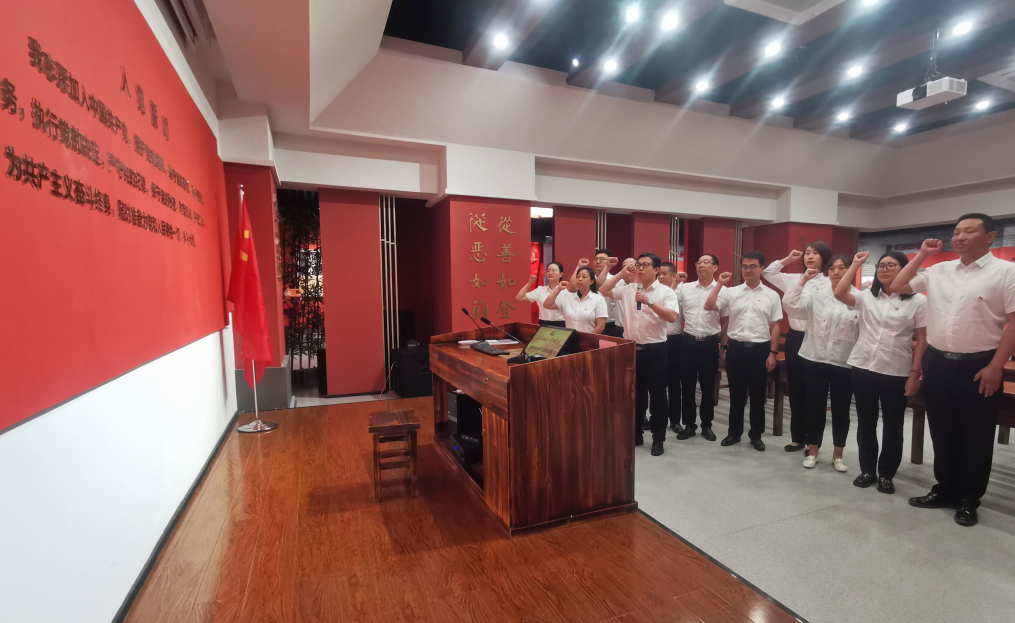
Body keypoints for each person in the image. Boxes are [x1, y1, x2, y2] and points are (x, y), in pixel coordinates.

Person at [889, 214, 1015, 527]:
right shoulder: (939, 270)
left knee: (976, 434)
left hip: (980, 365)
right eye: (957, 232)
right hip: (938, 362)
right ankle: (944, 489)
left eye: (969, 231)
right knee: (942, 430)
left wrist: (996, 365)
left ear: (990, 237)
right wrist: (922, 255)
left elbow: (1014, 323)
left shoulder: (1006, 272)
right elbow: (897, 285)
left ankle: (969, 498)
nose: (960, 237)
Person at [834, 251, 927, 494]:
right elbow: (839, 293)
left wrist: (915, 373)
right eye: (881, 266)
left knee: (893, 425)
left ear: (904, 269)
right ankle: (867, 470)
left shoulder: (918, 301)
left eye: (891, 265)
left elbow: (923, 339)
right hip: (863, 366)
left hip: (895, 369)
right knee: (866, 421)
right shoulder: (867, 296)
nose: (884, 270)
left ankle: (886, 474)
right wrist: (855, 264)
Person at [783, 255, 859, 472]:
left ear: (851, 270)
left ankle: (838, 455)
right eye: (832, 268)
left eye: (842, 268)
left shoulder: (859, 298)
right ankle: (813, 451)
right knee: (814, 407)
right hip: (814, 358)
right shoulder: (816, 294)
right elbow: (791, 306)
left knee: (841, 410)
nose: (836, 272)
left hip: (843, 361)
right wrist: (803, 280)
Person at [602, 253, 679, 456]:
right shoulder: (629, 289)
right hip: (631, 349)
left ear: (656, 270)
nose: (640, 268)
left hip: (655, 350)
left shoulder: (665, 291)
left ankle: (658, 438)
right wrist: (621, 273)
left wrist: (649, 301)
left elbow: (672, 316)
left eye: (645, 265)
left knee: (658, 397)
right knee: (635, 395)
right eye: (638, 265)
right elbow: (603, 289)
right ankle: (636, 434)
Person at [705, 251, 782, 451]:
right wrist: (719, 284)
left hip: (760, 349)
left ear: (762, 269)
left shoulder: (771, 295)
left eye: (753, 266)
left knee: (758, 395)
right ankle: (734, 433)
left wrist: (773, 353)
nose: (748, 270)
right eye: (745, 266)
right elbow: (709, 305)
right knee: (736, 394)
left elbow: (775, 326)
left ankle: (756, 435)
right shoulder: (732, 292)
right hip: (737, 348)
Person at [763, 241, 833, 452]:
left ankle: (814, 441)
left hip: (818, 337)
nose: (809, 256)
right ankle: (797, 438)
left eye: (815, 253)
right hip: (796, 338)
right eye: (807, 253)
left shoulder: (831, 280)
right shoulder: (794, 279)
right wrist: (789, 259)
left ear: (824, 257)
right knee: (796, 389)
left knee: (816, 391)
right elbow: (768, 272)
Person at [674, 254, 725, 442]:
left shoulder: (723, 291)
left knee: (707, 387)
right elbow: (669, 300)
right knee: (687, 387)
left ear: (715, 267)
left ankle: (706, 425)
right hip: (687, 342)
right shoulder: (685, 288)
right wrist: (675, 281)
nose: (701, 265)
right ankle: (689, 425)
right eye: (699, 262)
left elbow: (725, 321)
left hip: (710, 343)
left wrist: (723, 346)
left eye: (706, 262)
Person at [658, 262, 686, 434]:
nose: (661, 277)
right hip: (656, 341)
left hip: (674, 340)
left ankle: (675, 420)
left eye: (665, 274)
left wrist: (676, 284)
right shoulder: (652, 291)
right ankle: (656, 419)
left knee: (674, 383)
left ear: (673, 275)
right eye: (659, 274)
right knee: (656, 384)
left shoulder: (681, 292)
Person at [543, 265, 607, 335]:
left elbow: (601, 326)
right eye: (578, 276)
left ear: (591, 281)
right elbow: (547, 305)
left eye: (584, 277)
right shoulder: (568, 297)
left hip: (588, 339)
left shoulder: (598, 299)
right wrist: (559, 289)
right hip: (569, 338)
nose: (580, 279)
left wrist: (587, 339)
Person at [516, 261, 566, 327]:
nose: (550, 273)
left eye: (553, 271)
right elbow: (519, 297)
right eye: (548, 271)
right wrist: (530, 282)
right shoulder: (540, 290)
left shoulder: (565, 291)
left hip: (561, 323)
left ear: (561, 274)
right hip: (543, 323)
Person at [593, 250, 624, 337]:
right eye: (596, 259)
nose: (598, 261)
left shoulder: (617, 280)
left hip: (610, 323)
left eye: (602, 259)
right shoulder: (588, 279)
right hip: (590, 322)